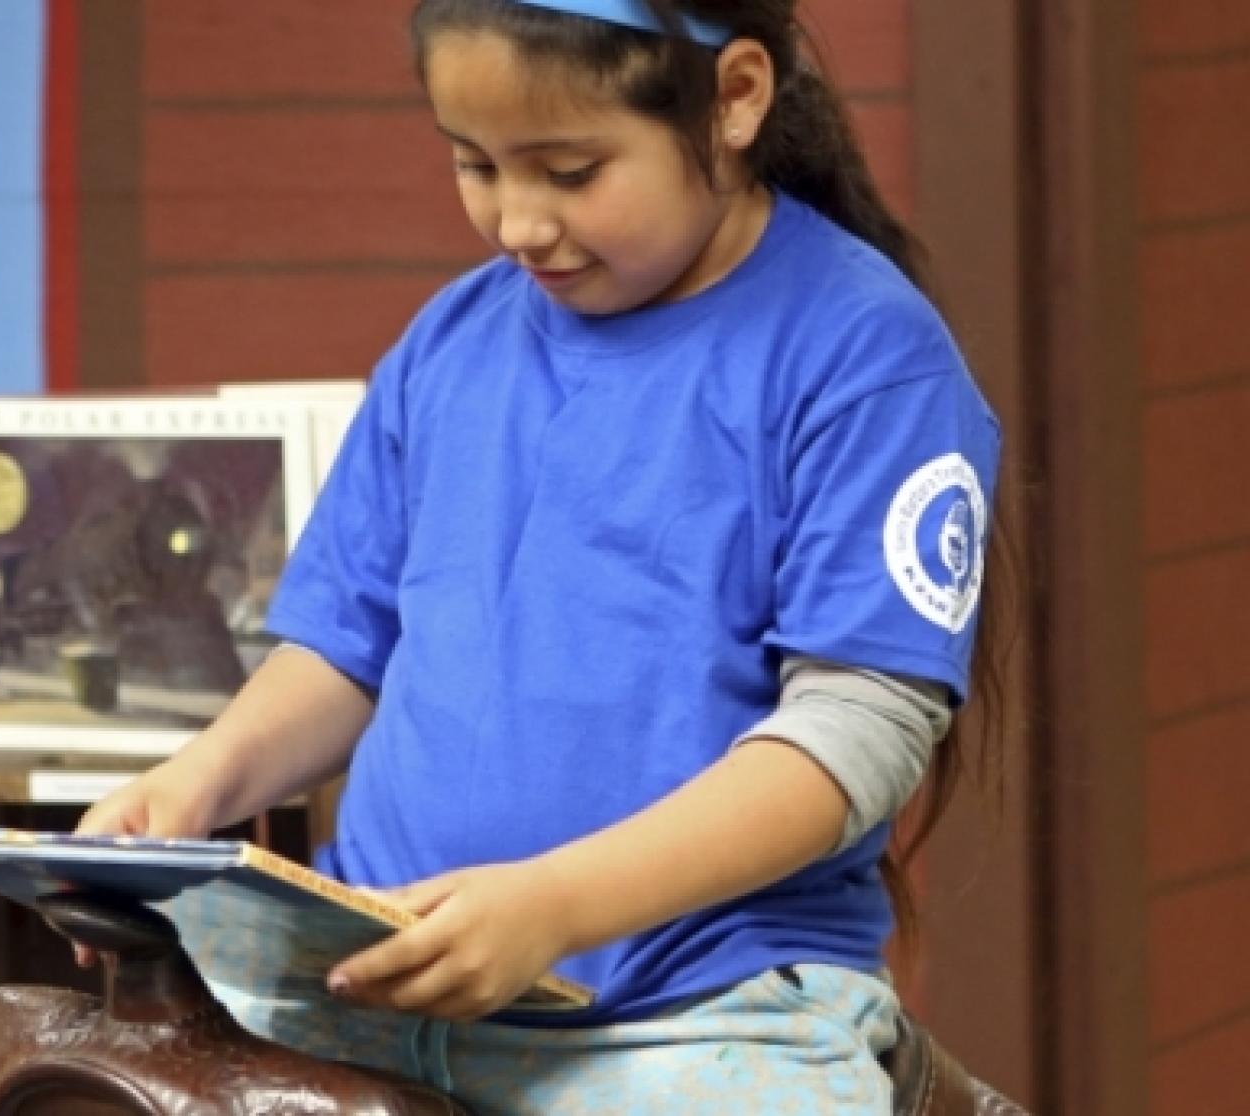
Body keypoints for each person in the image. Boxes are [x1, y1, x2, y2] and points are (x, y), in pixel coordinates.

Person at [77, 1, 1004, 1112]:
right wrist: (195, 786)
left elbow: (854, 734)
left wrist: (556, 907)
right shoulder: (450, 341)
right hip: (361, 989)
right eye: (475, 164)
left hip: (698, 1019)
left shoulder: (867, 358)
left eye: (568, 171)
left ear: (736, 97)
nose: (515, 223)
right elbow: (345, 646)